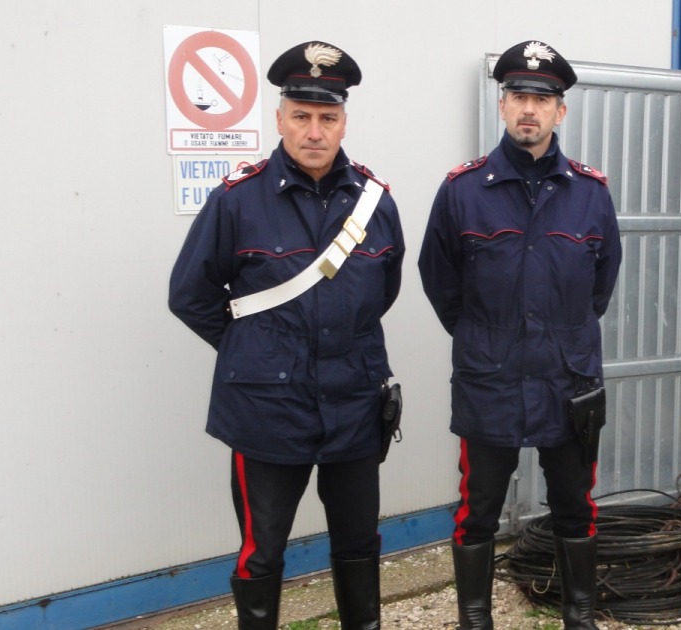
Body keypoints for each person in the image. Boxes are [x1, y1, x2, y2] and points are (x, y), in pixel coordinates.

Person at [168, 40, 403, 630]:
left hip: (353, 402)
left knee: (358, 541)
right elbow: (190, 294)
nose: (314, 132)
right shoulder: (237, 201)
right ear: (279, 119)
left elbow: (383, 291)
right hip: (266, 409)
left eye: (327, 117)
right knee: (262, 549)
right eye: (301, 116)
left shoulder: (375, 203)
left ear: (344, 121)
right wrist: (255, 349)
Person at [418, 40, 622, 630]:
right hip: (491, 381)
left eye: (542, 99)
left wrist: (561, 336)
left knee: (574, 504)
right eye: (518, 96)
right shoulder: (462, 190)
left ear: (561, 111)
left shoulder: (590, 193)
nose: (529, 109)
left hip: (569, 381)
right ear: (502, 105)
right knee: (477, 508)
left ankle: (579, 615)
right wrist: (486, 337)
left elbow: (601, 284)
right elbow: (439, 280)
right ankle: (474, 618)